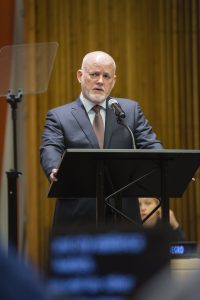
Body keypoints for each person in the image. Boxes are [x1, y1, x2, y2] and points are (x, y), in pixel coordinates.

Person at [40, 51, 163, 227]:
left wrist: (169, 164)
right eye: (94, 74)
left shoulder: (129, 111)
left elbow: (150, 143)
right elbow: (50, 147)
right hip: (79, 216)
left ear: (113, 81)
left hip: (123, 216)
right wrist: (54, 168)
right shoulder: (59, 116)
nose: (100, 81)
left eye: (106, 76)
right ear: (80, 76)